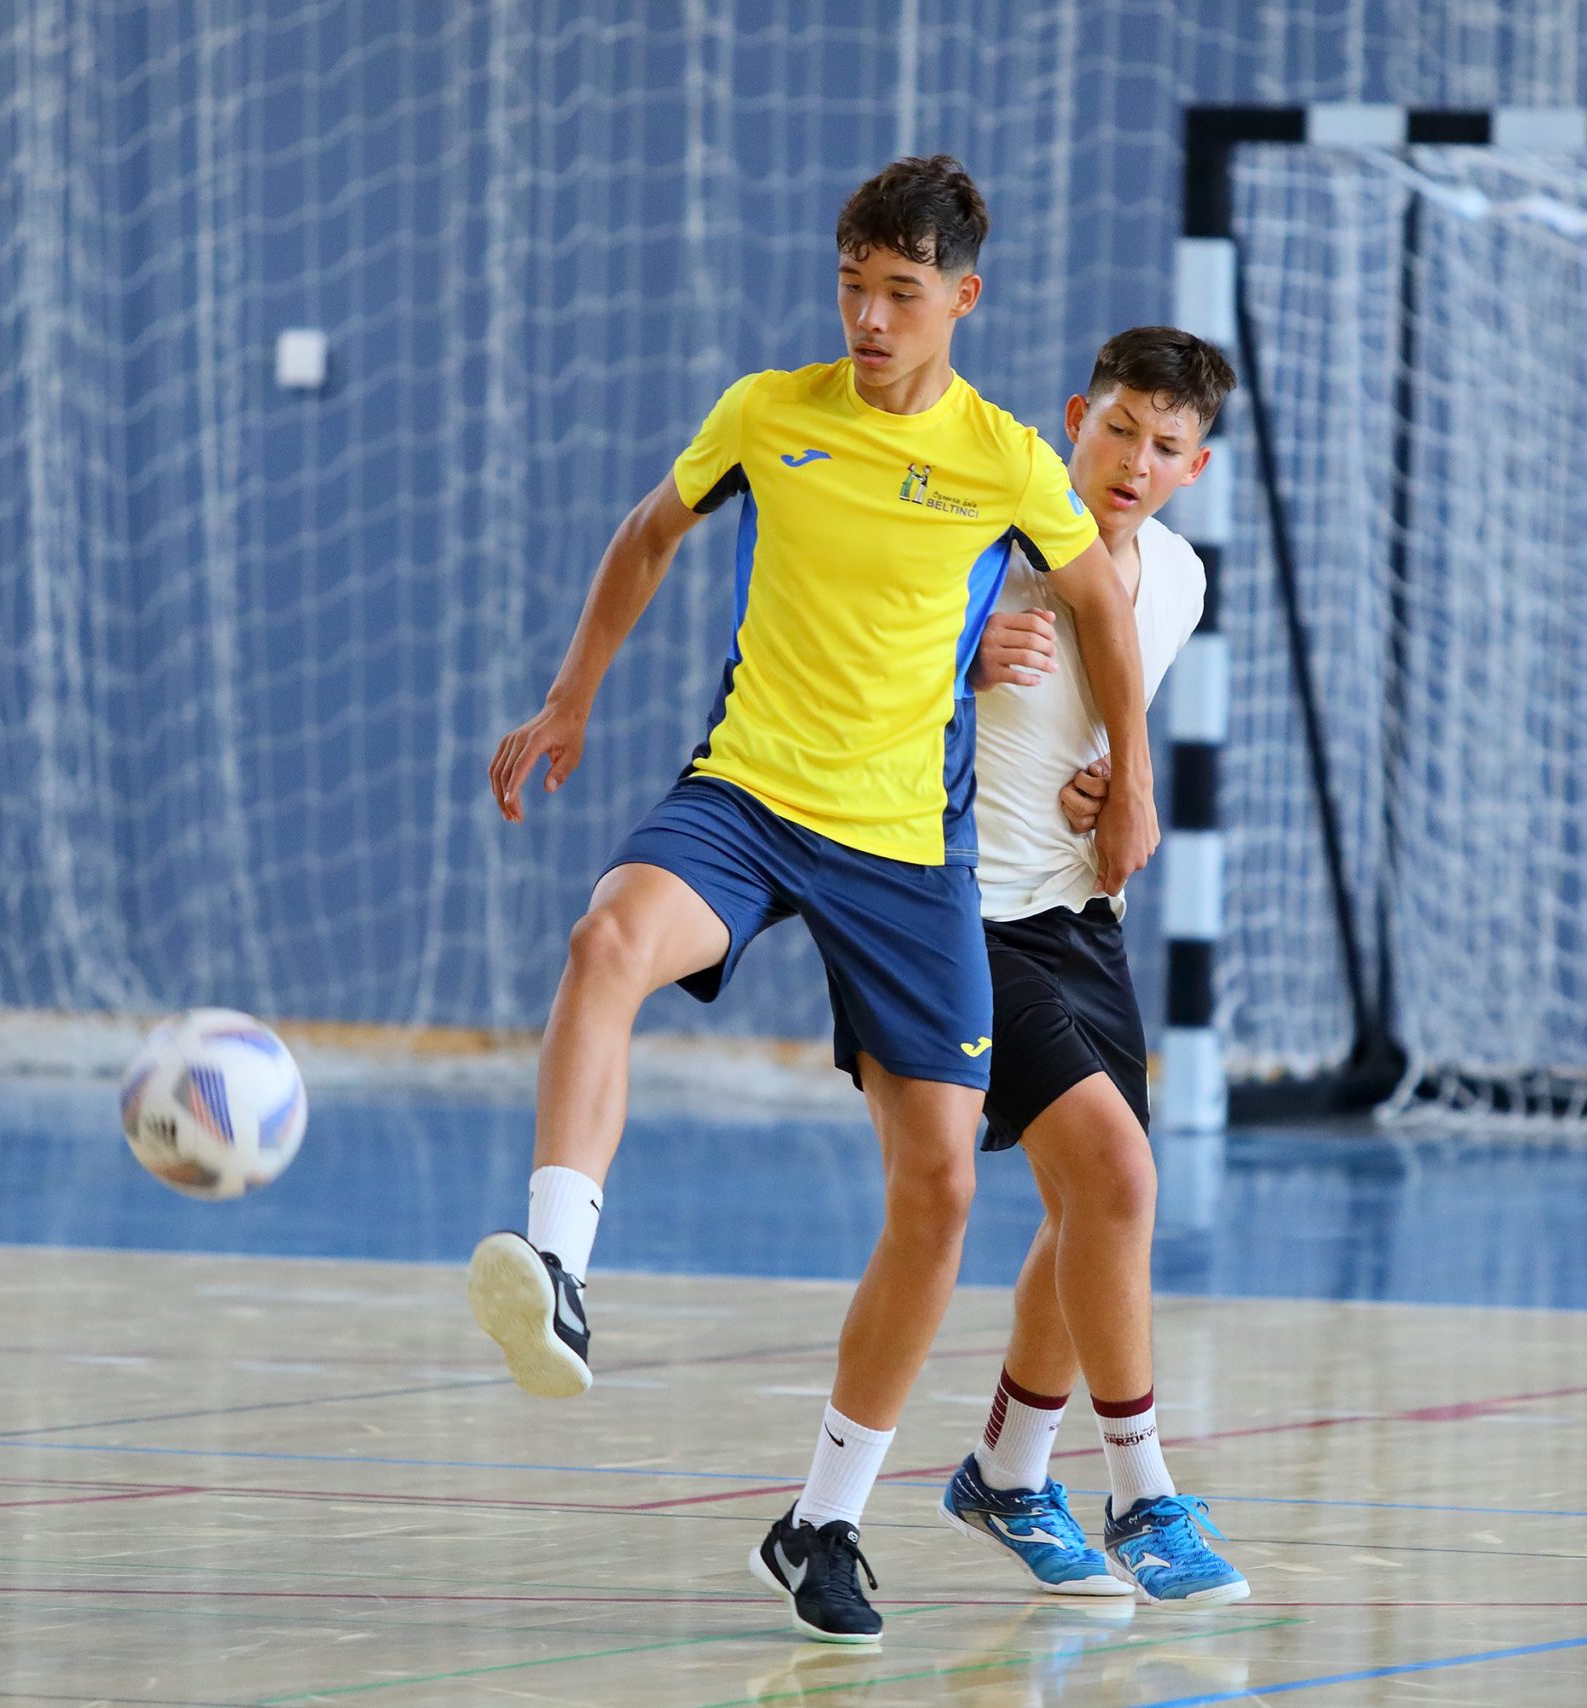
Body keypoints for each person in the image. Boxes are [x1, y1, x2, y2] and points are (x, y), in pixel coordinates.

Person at [469, 155, 1160, 1646]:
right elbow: (648, 532)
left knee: (943, 1187)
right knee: (606, 939)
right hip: (748, 796)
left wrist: (1133, 776)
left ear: (961, 300)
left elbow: (1100, 602)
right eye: (852, 286)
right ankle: (559, 1265)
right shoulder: (768, 413)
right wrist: (571, 696)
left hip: (906, 852)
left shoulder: (1002, 460)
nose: (869, 317)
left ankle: (822, 1522)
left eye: (901, 292)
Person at [935, 327, 1249, 1606]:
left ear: (1195, 467)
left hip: (1082, 920)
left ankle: (1007, 1475)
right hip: (960, 916)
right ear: (1075, 416)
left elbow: (1103, 730)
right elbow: (860, 681)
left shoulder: (1176, 577)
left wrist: (1114, 778)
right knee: (1118, 1178)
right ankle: (1142, 1494)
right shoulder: (983, 547)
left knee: (1088, 1211)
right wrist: (956, 665)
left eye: (1165, 445)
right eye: (1118, 427)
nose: (1134, 459)